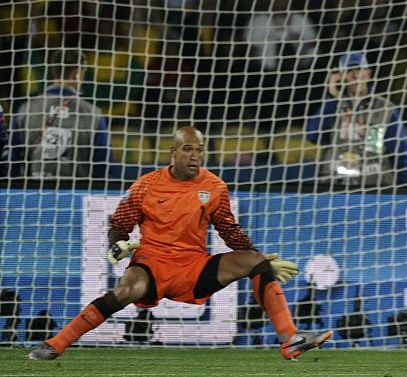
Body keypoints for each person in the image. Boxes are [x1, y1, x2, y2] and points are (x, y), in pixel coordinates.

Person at [29, 126, 331, 360]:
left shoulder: (214, 186)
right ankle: (56, 344)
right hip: (152, 264)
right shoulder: (145, 186)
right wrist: (118, 243)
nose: (195, 156)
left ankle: (290, 338)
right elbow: (120, 224)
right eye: (188, 149)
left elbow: (230, 232)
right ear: (173, 151)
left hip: (193, 268)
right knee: (125, 291)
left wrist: (261, 258)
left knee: (254, 261)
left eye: (199, 150)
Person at [2, 48, 119, 179]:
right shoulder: (92, 114)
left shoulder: (26, 110)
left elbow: (12, 162)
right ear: (77, 74)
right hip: (77, 195)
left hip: (33, 194)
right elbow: (103, 166)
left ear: (53, 70)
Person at [305, 52, 407, 187]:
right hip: (333, 186)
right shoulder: (332, 107)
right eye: (349, 71)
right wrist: (332, 96)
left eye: (359, 70)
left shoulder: (385, 109)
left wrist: (406, 190)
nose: (355, 76)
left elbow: (401, 153)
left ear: (368, 73)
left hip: (375, 189)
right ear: (341, 77)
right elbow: (313, 135)